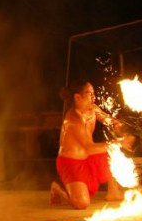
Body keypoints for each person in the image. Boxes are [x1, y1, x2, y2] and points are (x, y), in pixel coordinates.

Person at [50, 81, 129, 209]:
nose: (94, 97)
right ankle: (59, 192)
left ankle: (113, 192)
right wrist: (118, 142)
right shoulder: (73, 120)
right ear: (77, 97)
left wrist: (121, 127)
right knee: (82, 204)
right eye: (89, 94)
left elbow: (109, 120)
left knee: (112, 152)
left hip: (88, 159)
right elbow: (89, 148)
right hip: (71, 163)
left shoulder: (93, 109)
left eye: (94, 93)